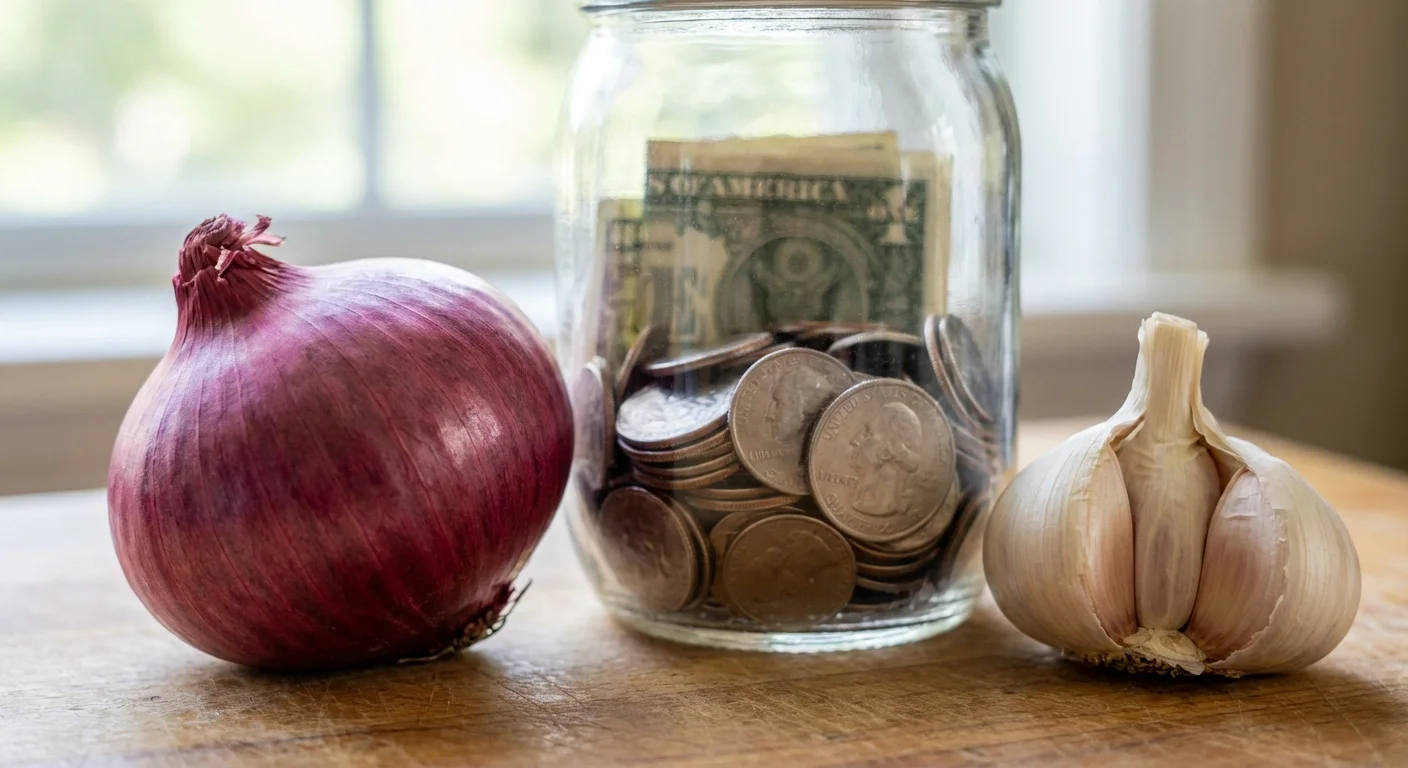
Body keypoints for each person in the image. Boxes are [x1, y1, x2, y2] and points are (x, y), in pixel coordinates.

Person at [848, 401, 923, 517]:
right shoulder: (863, 497)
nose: (853, 441)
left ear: (885, 453)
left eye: (869, 434)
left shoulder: (872, 505)